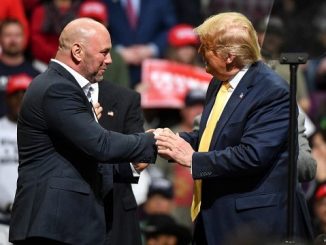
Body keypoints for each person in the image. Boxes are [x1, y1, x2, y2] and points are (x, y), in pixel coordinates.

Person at [155, 12, 313, 244]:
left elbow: (252, 155)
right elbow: (215, 137)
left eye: (206, 47)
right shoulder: (218, 81)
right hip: (214, 217)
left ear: (229, 56)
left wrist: (193, 160)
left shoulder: (272, 92)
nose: (200, 53)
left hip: (251, 225)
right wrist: (172, 141)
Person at [9, 18, 157, 245]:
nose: (109, 60)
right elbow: (101, 145)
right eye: (104, 52)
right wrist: (151, 141)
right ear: (77, 51)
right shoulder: (58, 88)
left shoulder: (58, 86)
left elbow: (79, 158)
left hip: (63, 225)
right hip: (52, 225)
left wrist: (131, 165)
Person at [94, 79, 146, 245]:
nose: (108, 60)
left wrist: (139, 157)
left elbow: (139, 157)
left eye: (108, 52)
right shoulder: (55, 92)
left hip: (116, 209)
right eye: (103, 52)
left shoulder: (126, 98)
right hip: (67, 208)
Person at [0, 74, 32, 224]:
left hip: (32, 220)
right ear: (7, 98)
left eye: (25, 94)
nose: (20, 99)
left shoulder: (44, 132)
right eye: (15, 94)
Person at [0, 19, 40, 117]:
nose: (13, 40)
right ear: (0, 38)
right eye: (8, 35)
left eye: (17, 35)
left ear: (24, 38)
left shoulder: (37, 75)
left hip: (26, 129)